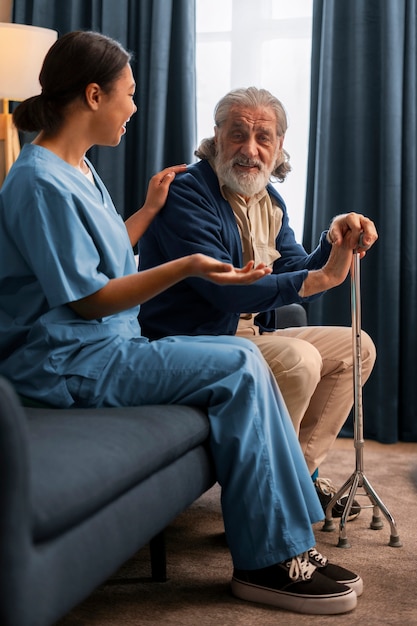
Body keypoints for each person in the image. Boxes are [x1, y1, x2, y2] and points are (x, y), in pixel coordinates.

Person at [0, 31, 362, 616]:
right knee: (245, 364)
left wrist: (144, 212)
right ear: (94, 96)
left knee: (249, 360)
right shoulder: (38, 181)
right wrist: (187, 265)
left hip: (107, 346)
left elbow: (101, 255)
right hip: (66, 363)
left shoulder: (77, 168)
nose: (135, 108)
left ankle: (291, 543)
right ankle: (270, 560)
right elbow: (90, 300)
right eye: (129, 94)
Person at [138, 87, 378, 517]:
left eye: (263, 137)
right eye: (237, 135)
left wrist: (334, 237)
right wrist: (318, 279)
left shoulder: (269, 199)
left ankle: (296, 481)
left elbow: (293, 266)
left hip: (247, 333)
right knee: (298, 357)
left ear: (279, 145)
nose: (250, 149)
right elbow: (222, 289)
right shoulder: (188, 194)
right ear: (216, 137)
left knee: (358, 347)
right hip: (192, 339)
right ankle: (260, 501)